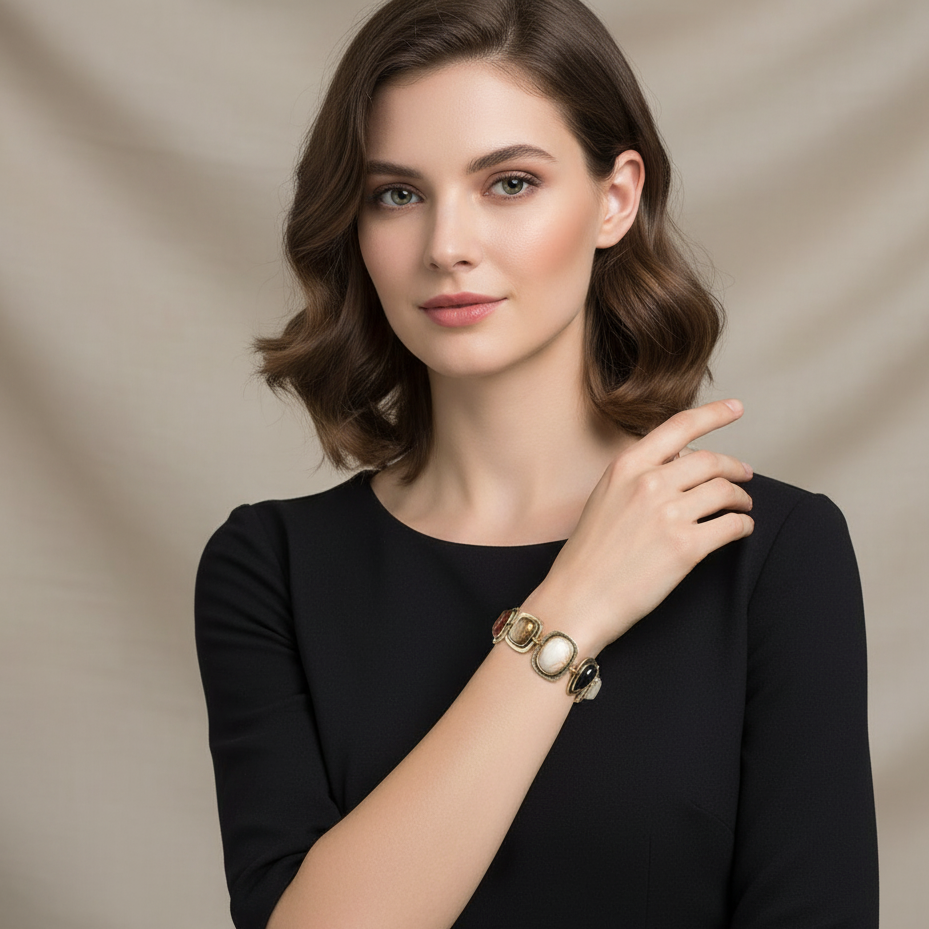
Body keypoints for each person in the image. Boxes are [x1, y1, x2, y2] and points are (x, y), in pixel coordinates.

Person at [195, 0, 879, 926]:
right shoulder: (267, 568)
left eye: (508, 183)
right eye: (397, 193)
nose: (446, 246)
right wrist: (568, 611)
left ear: (614, 198)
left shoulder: (767, 554)